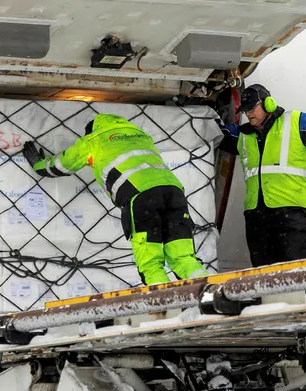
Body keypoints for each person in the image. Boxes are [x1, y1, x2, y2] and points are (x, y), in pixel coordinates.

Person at [21, 114, 209, 286]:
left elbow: (64, 164)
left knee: (150, 265)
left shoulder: (92, 140)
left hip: (141, 198)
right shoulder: (139, 134)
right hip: (174, 193)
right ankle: (208, 292)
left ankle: (166, 306)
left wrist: (39, 165)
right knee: (184, 258)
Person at [219, 84, 306, 267]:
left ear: (268, 104)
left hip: (290, 212)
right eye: (245, 110)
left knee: (297, 269)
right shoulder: (243, 135)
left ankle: (302, 296)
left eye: (252, 108)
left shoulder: (295, 122)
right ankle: (269, 297)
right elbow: (217, 133)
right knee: (262, 272)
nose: (248, 114)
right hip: (256, 215)